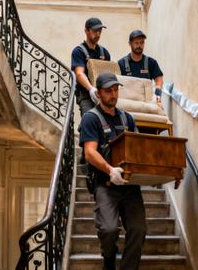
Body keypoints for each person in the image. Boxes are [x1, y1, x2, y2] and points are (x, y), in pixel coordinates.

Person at [79, 72, 145, 270]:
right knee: (108, 229)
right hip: (105, 184)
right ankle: (109, 260)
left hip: (129, 186)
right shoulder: (91, 118)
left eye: (116, 90)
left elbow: (137, 148)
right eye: (108, 91)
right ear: (98, 93)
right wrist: (110, 170)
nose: (113, 94)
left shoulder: (127, 118)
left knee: (138, 229)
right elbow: (90, 152)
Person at [71, 17, 112, 115]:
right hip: (85, 95)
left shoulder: (105, 53)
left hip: (103, 96)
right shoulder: (79, 51)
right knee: (89, 119)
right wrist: (91, 89)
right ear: (86, 31)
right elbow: (79, 73)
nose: (98, 34)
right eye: (95, 31)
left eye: (100, 31)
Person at [118, 29, 164, 105]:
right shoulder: (121, 63)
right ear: (130, 44)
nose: (139, 45)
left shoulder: (151, 62)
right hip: (127, 103)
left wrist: (158, 95)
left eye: (142, 43)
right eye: (136, 43)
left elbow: (159, 80)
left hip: (146, 103)